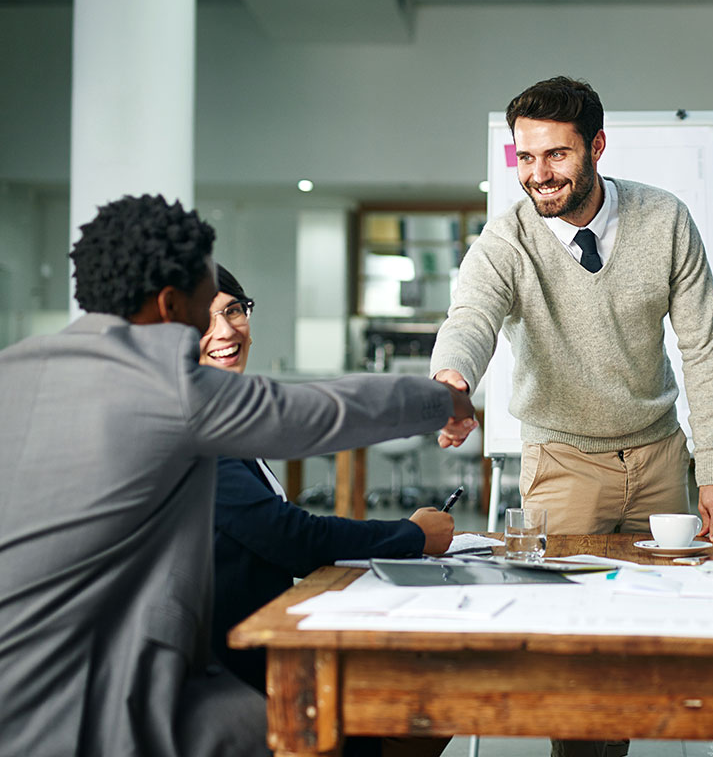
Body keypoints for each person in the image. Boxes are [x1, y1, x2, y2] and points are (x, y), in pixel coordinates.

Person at [0, 195, 473, 757]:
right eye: (208, 298)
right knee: (300, 731)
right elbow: (329, 411)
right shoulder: (170, 389)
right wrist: (444, 399)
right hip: (90, 697)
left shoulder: (16, 367)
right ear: (172, 303)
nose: (220, 319)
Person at [431, 76, 713, 547]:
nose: (539, 174)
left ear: (596, 146)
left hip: (658, 458)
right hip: (561, 463)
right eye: (527, 157)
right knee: (560, 607)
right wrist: (452, 378)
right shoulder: (505, 241)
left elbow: (704, 347)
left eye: (557, 154)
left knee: (663, 603)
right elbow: (472, 317)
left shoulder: (666, 219)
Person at [201, 264, 453, 694]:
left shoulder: (226, 414)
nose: (225, 331)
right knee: (420, 690)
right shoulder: (198, 430)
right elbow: (291, 539)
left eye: (234, 311)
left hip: (270, 630)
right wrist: (411, 535)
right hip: (231, 663)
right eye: (203, 322)